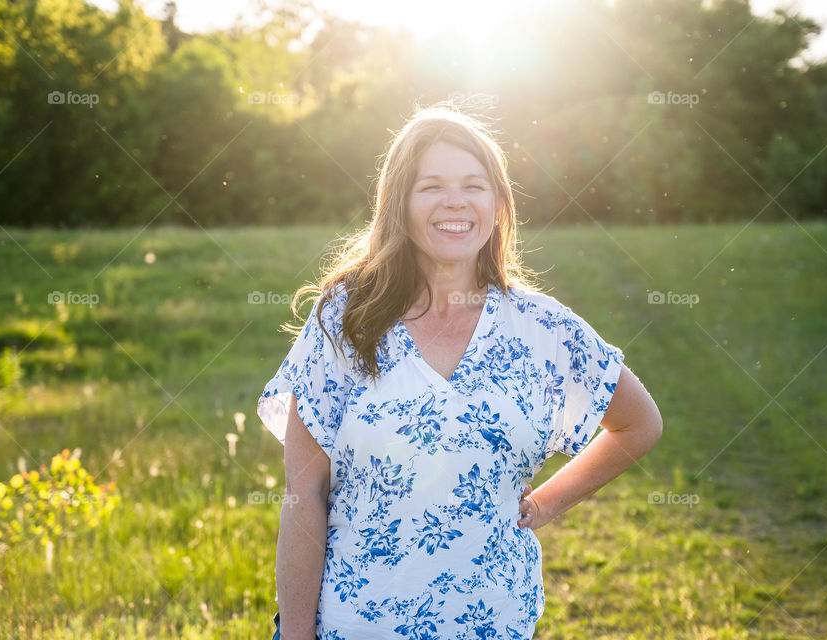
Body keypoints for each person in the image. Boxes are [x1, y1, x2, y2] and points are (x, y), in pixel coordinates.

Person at [256, 103, 663, 640]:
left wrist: (545, 503)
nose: (455, 200)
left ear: (498, 204)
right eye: (431, 186)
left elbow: (640, 424)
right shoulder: (345, 318)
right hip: (355, 624)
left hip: (492, 621)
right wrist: (295, 635)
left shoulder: (543, 327)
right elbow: (303, 494)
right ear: (399, 204)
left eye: (474, 184)